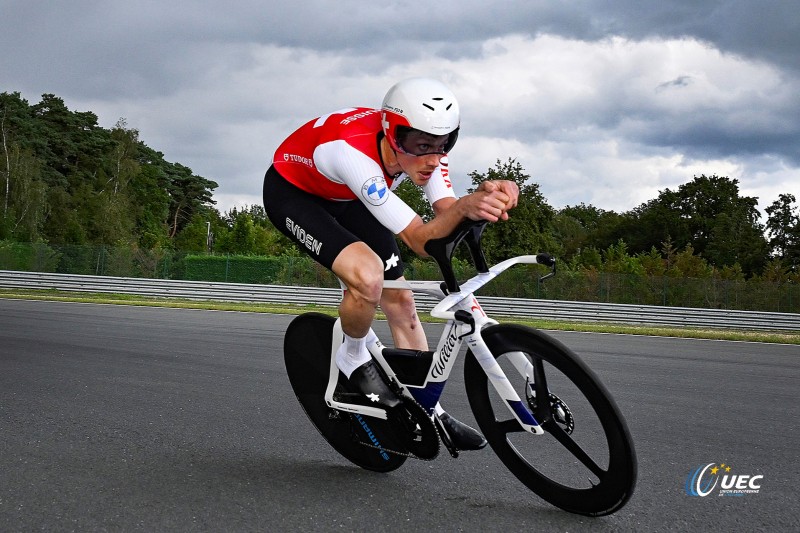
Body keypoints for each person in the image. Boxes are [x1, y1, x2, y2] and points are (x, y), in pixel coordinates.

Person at [263, 78, 519, 451]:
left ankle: (427, 409)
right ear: (392, 134)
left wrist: (482, 197)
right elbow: (420, 239)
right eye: (422, 146)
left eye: (444, 143)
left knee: (401, 301)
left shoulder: (425, 148)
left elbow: (445, 214)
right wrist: (466, 207)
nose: (434, 158)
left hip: (347, 195)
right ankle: (353, 358)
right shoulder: (353, 154)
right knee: (368, 278)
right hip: (295, 194)